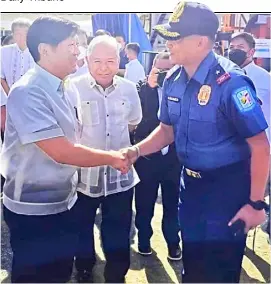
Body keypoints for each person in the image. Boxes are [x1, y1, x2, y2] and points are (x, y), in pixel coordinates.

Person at [123, 1, 270, 283]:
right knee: (192, 268)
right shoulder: (174, 80)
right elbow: (167, 131)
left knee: (221, 271)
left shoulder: (232, 84)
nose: (169, 43)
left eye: (176, 38)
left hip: (226, 191)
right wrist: (136, 151)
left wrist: (255, 203)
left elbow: (261, 146)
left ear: (202, 41)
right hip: (189, 188)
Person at [1, 16, 129, 283]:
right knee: (35, 276)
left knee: (59, 272)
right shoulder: (27, 92)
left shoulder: (66, 87)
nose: (77, 51)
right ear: (45, 50)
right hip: (32, 210)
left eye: (78, 44)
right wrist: (113, 158)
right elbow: (62, 151)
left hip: (64, 203)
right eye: (71, 44)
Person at [66, 35, 142, 283]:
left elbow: (134, 123)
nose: (103, 67)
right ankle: (84, 266)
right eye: (97, 60)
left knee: (119, 230)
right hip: (82, 176)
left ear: (119, 60)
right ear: (86, 60)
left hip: (120, 176)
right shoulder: (72, 87)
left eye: (110, 61)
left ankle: (116, 274)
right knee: (81, 227)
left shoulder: (129, 88)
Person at [132, 52, 182, 260]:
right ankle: (144, 240)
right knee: (144, 203)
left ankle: (173, 243)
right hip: (148, 159)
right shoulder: (140, 89)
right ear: (152, 68)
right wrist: (148, 87)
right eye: (160, 70)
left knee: (173, 205)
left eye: (169, 70)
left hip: (174, 159)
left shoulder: (183, 88)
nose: (164, 75)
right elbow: (138, 122)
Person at [229, 32, 271, 141]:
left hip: (259, 141)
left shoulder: (264, 77)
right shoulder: (224, 75)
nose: (234, 50)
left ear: (251, 52)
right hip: (232, 141)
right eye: (231, 47)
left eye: (240, 47)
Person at [1, 18, 35, 94]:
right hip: (9, 95)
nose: (22, 37)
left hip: (32, 95)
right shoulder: (3, 51)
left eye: (25, 34)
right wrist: (10, 94)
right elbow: (1, 77)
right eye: (18, 34)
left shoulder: (37, 51)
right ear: (13, 35)